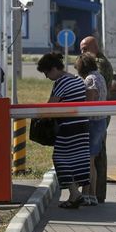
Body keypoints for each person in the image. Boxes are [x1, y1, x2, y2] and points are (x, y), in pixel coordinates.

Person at [37, 52, 90, 209]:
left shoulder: (61, 83)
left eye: (47, 73)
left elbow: (50, 106)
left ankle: (74, 194)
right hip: (82, 126)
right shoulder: (77, 80)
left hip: (68, 127)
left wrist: (39, 116)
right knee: (77, 159)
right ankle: (75, 193)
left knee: (59, 158)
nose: (47, 77)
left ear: (54, 69)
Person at [80, 36, 113, 203]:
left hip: (96, 115)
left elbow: (91, 97)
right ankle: (95, 193)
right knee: (96, 155)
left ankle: (95, 193)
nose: (83, 52)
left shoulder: (97, 66)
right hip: (102, 113)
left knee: (95, 156)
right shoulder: (102, 62)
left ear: (94, 46)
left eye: (85, 48)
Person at [75, 52, 108, 206]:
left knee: (87, 160)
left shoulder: (90, 79)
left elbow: (89, 101)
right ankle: (92, 194)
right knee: (92, 160)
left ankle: (86, 194)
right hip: (101, 121)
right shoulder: (100, 76)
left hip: (92, 122)